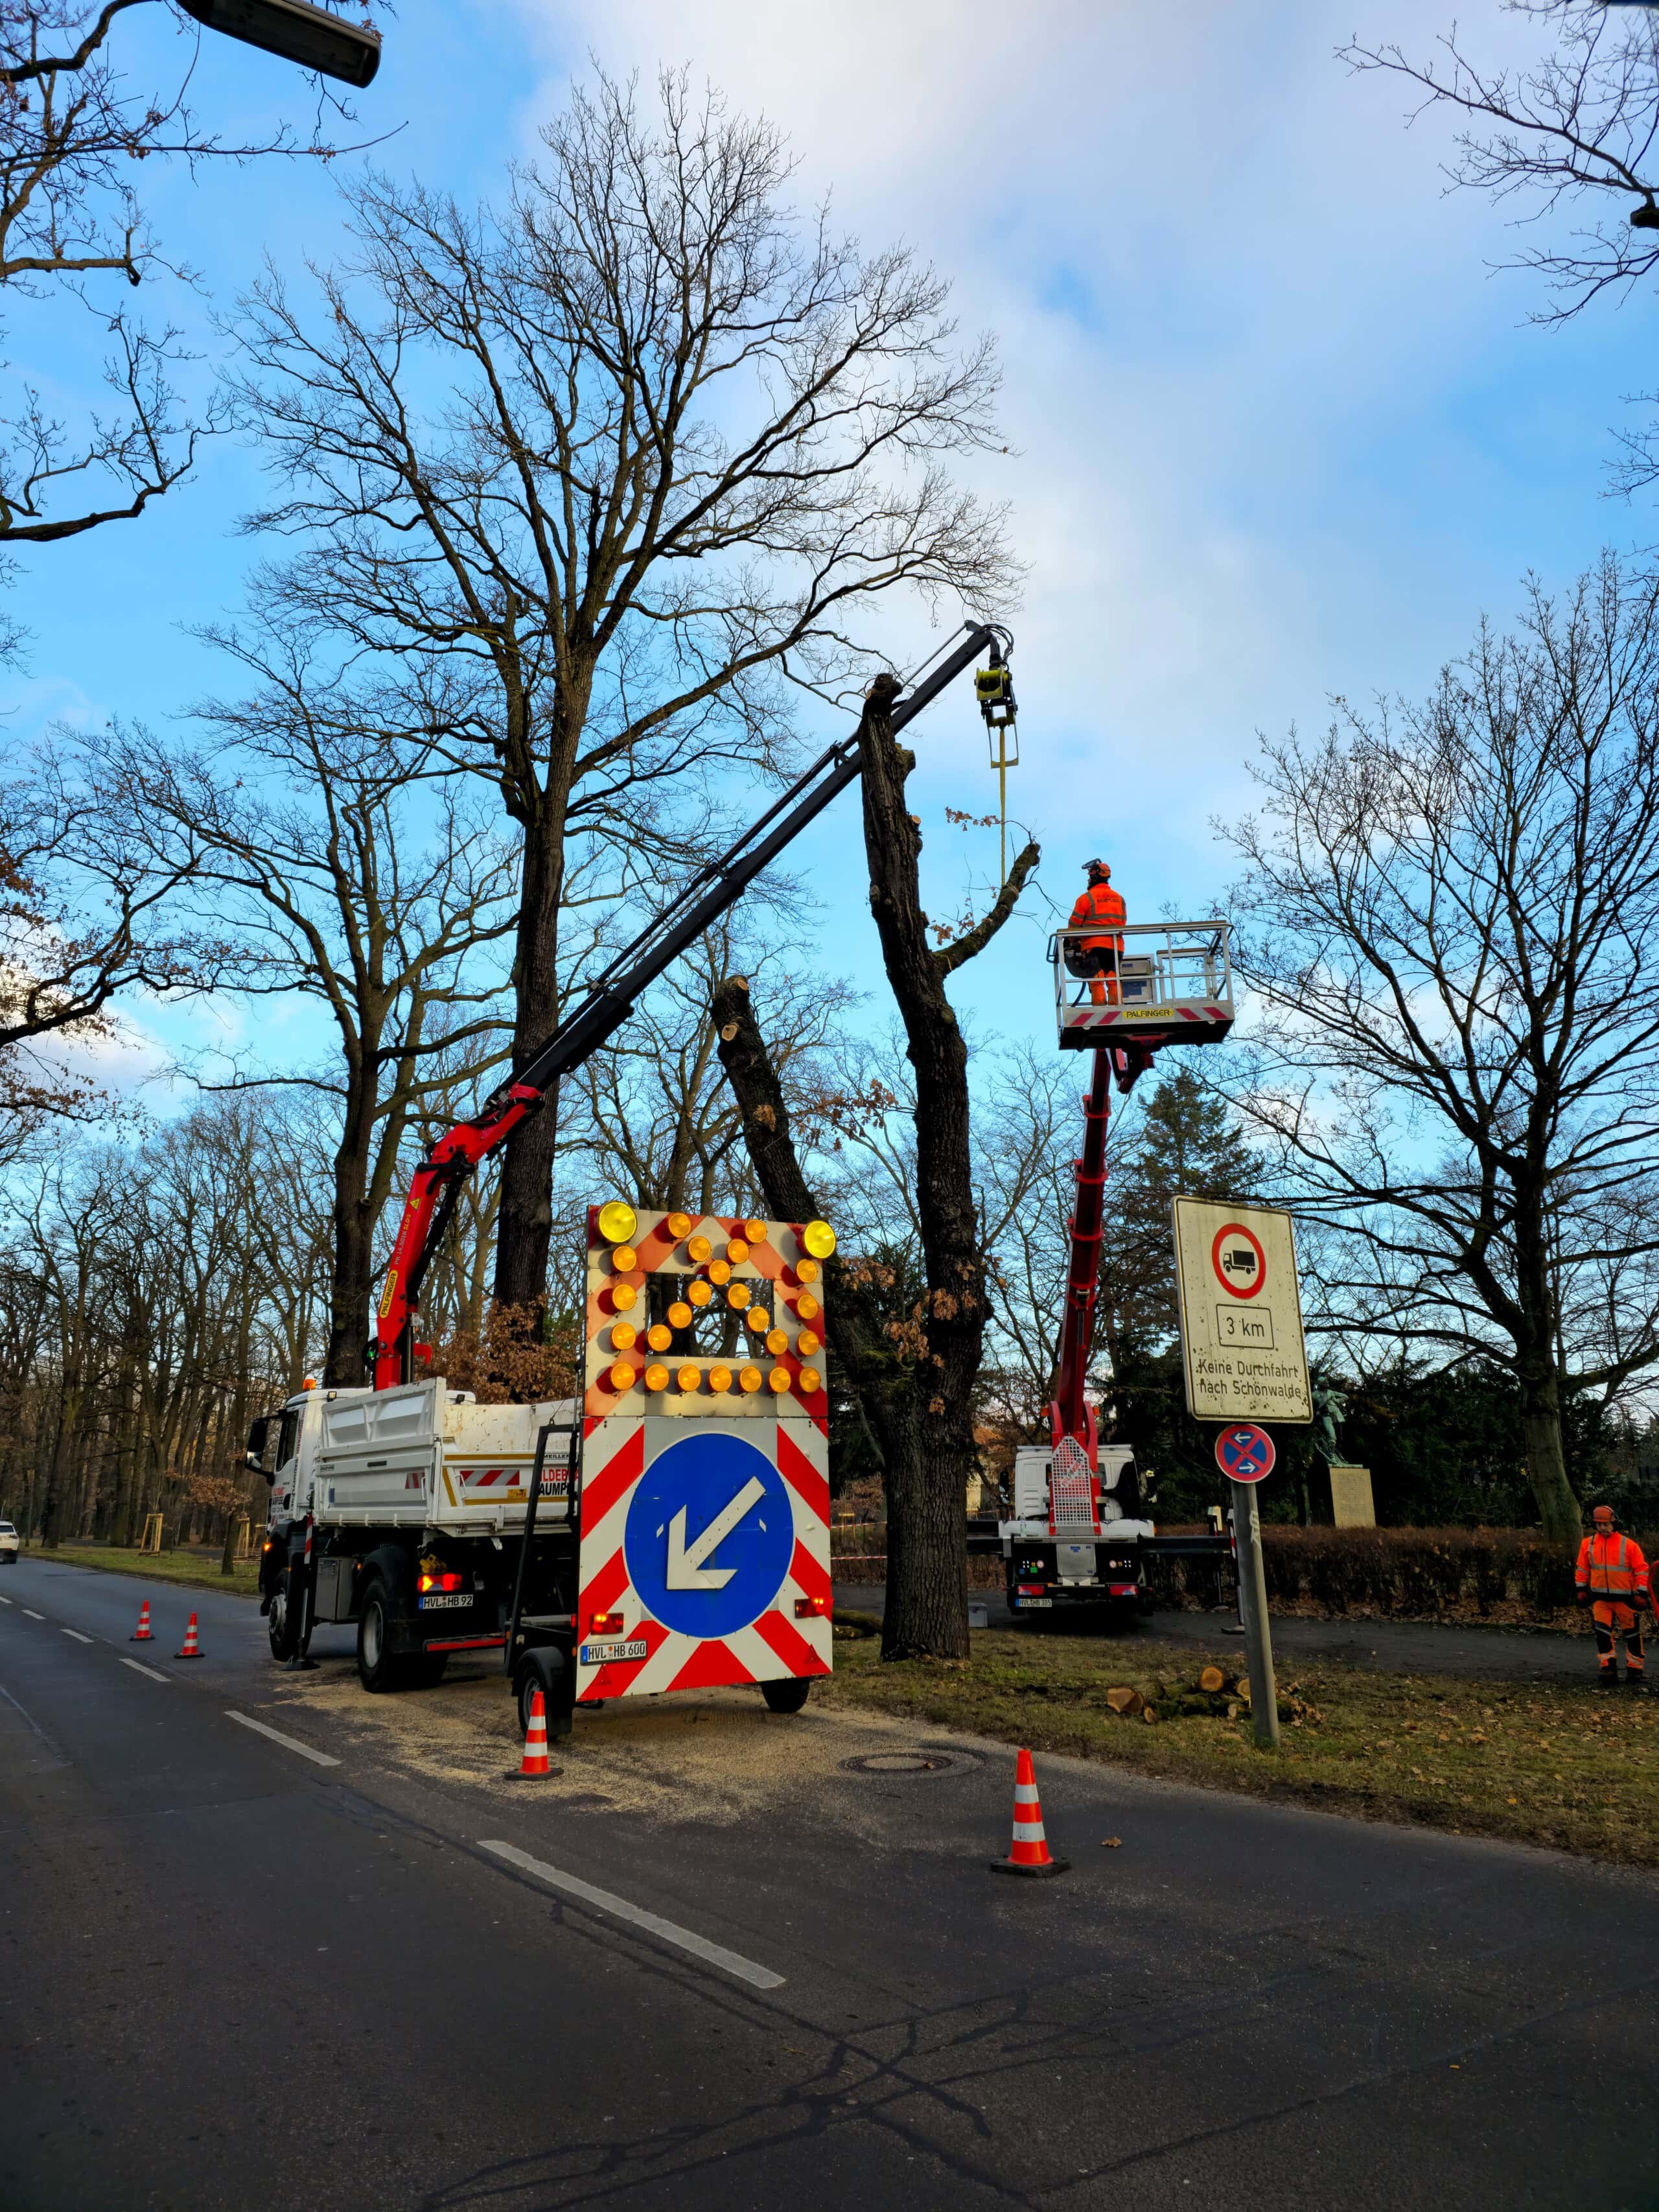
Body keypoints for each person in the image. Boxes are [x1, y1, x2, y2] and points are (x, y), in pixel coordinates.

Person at [1575, 1504, 1651, 1687]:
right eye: (1599, 1525)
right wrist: (1581, 1590)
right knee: (1602, 1634)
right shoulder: (1588, 1544)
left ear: (1614, 1523)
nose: (1603, 1528)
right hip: (1600, 1598)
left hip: (1626, 1599)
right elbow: (1582, 1568)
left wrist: (1642, 1592)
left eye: (1606, 1524)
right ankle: (1608, 1668)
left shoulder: (1629, 1545)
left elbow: (1641, 1570)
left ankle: (1635, 1670)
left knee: (1632, 1635)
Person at [1068, 859, 1126, 1006]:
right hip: (1116, 946)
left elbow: (1074, 925)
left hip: (1093, 946)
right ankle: (1116, 1007)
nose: (1088, 879)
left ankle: (1100, 1009)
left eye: (1089, 876)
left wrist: (1073, 941)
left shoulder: (1086, 898)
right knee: (1113, 978)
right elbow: (1123, 922)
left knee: (1097, 979)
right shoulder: (1119, 899)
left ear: (1094, 877)